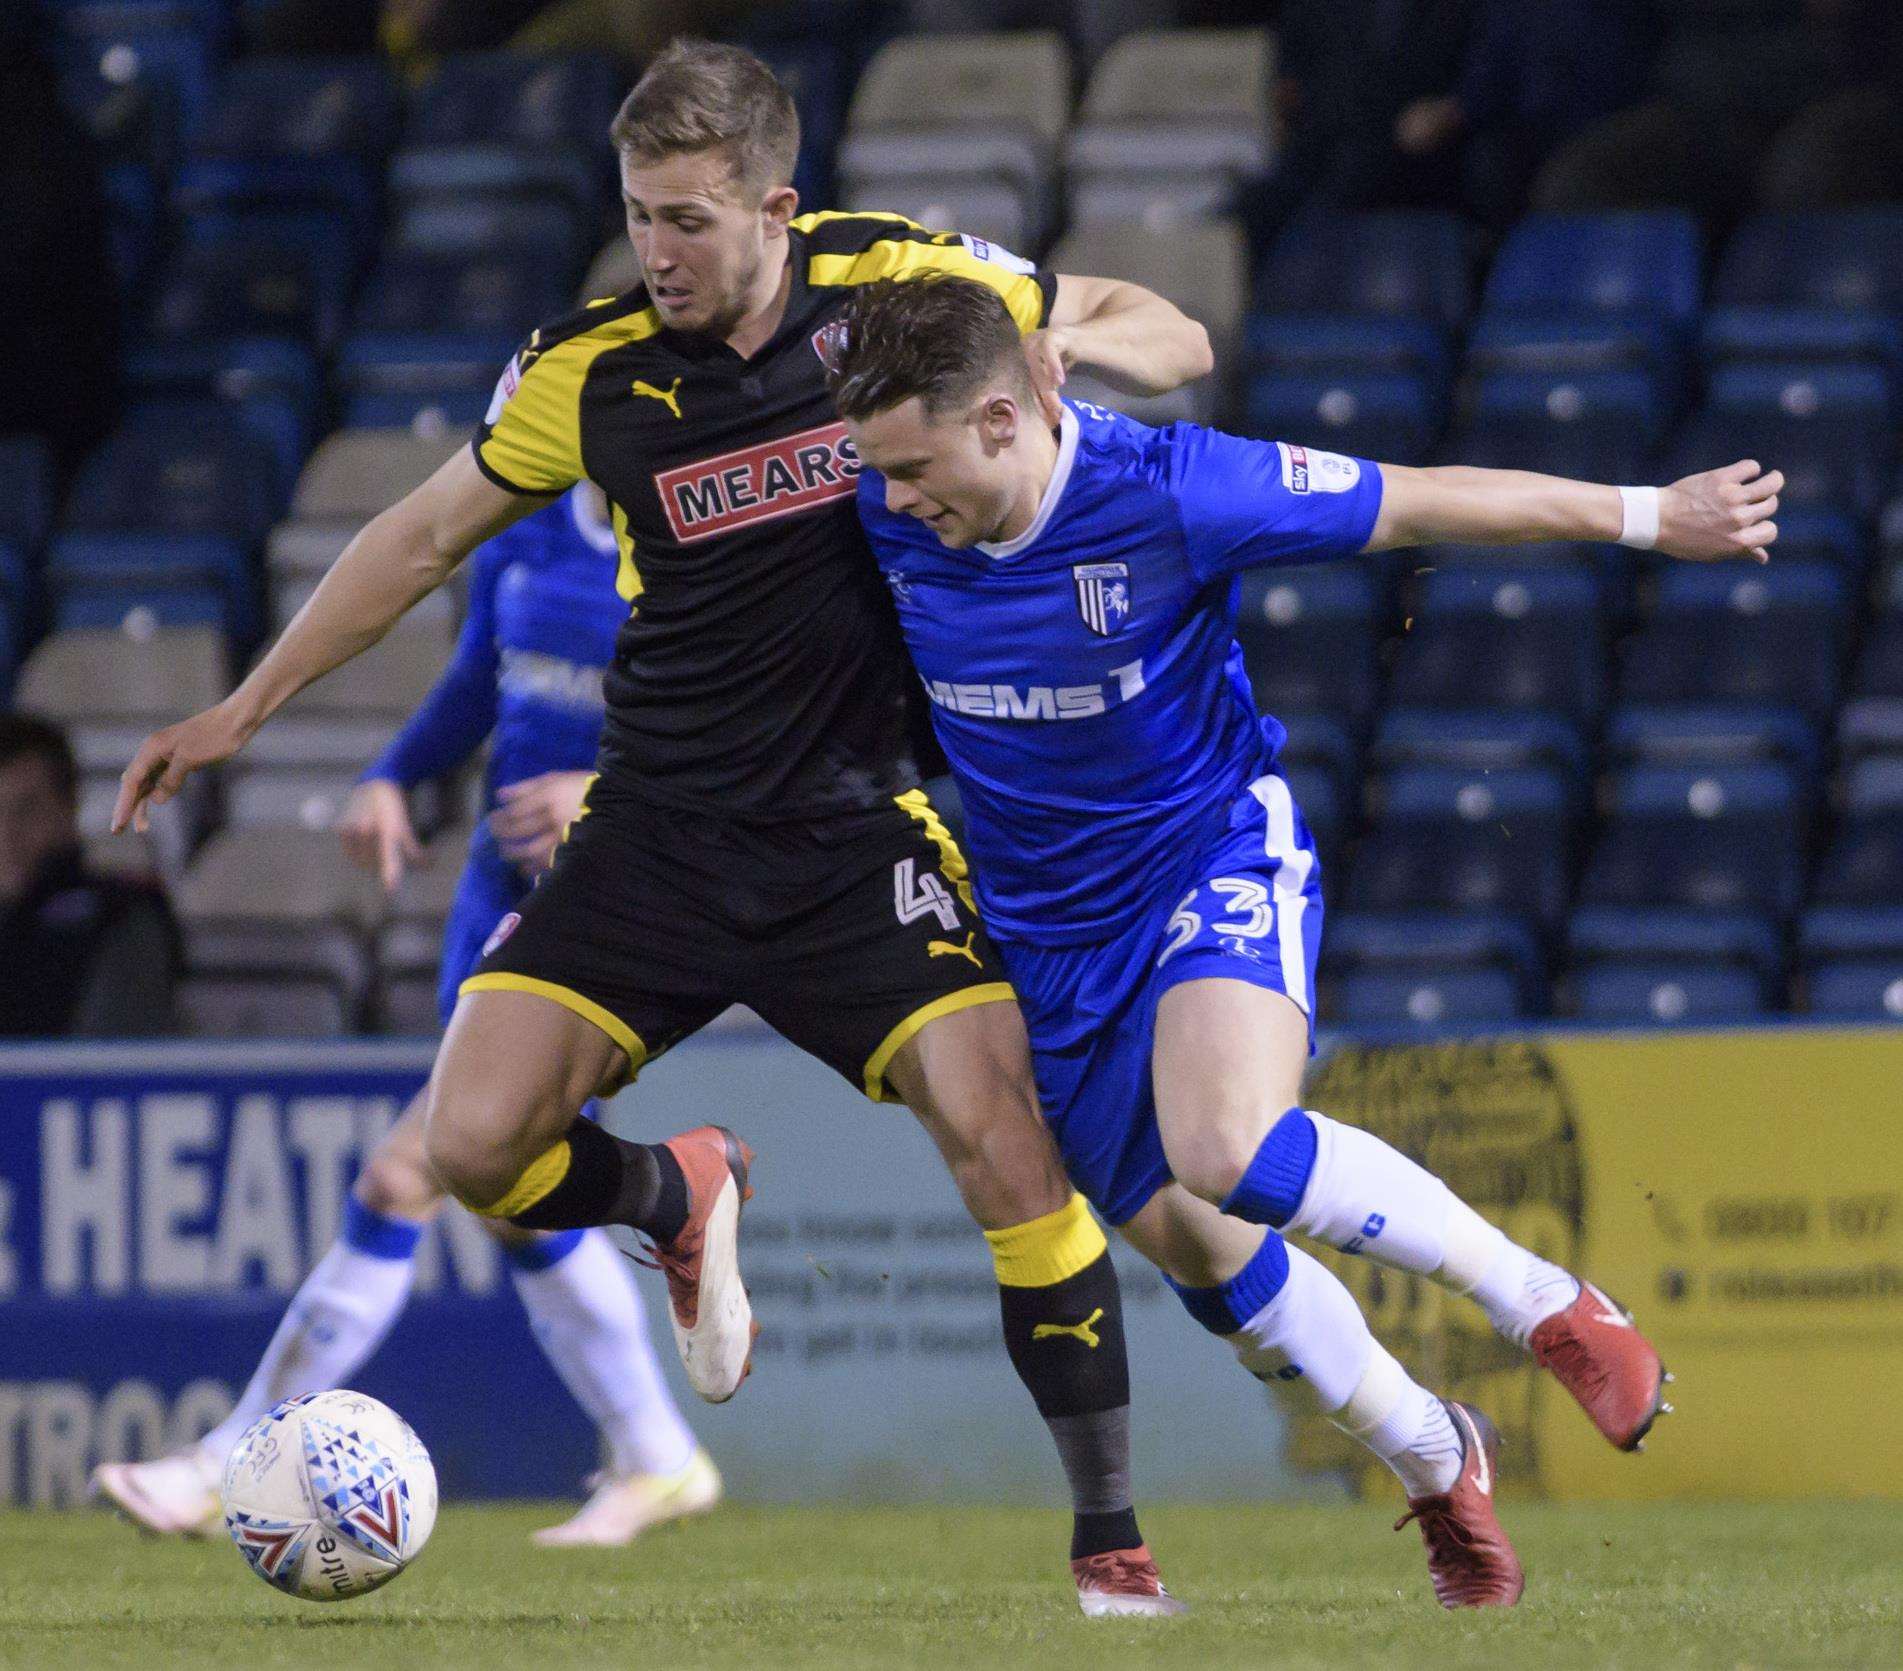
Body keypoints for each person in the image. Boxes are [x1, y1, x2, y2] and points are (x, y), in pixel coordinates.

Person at [113, 41, 1214, 1615]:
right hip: (656, 835)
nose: (658, 249)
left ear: (777, 202)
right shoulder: (588, 368)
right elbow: (419, 535)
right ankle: (672, 1193)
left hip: (855, 833)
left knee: (1005, 1145)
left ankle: (1109, 1540)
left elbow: (1158, 324)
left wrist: (1066, 359)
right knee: (475, 1141)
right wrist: (246, 709)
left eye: (689, 218)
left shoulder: (893, 281)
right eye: (638, 213)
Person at [823, 275, 1773, 1607]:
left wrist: (1642, 517)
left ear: (998, 417)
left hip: (1206, 848)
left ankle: (1545, 1300)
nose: (894, 497)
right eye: (878, 470)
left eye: (914, 467)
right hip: (1048, 930)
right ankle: (1434, 1449)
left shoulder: (1171, 490)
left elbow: (1418, 496)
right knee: (1198, 1245)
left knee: (1228, 1145)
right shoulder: (882, 498)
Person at [93, 485, 717, 1549]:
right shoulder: (524, 528)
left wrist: (602, 792)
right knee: (503, 1194)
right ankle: (658, 1456)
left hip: (614, 897)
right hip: (497, 899)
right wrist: (391, 775)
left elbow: (739, 726)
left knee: (404, 1173)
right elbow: (481, 676)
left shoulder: (702, 544)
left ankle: (221, 1463)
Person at [1, 714, 178, 1037]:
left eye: (27, 810)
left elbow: (107, 1063)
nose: (6, 835)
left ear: (68, 809)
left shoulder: (119, 917)